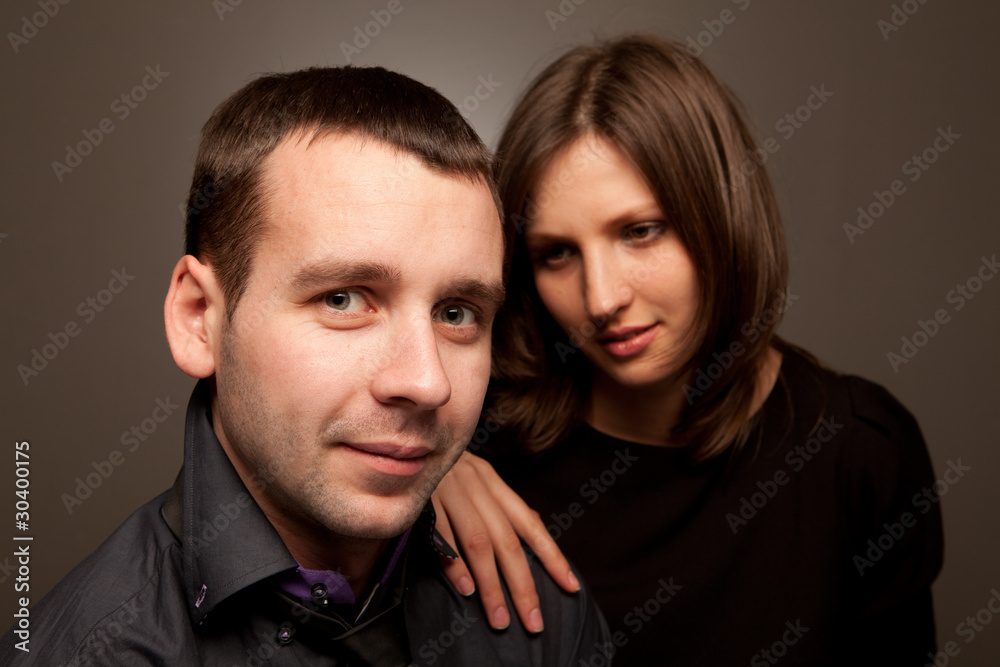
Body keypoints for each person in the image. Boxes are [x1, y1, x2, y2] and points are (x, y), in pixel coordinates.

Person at [0, 66, 609, 666]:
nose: (427, 382)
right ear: (198, 318)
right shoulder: (94, 652)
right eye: (343, 299)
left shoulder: (540, 615)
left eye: (456, 312)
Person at [432, 34, 944, 665]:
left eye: (640, 232)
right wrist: (425, 472)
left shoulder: (858, 448)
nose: (601, 298)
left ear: (721, 214)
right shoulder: (474, 443)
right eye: (556, 253)